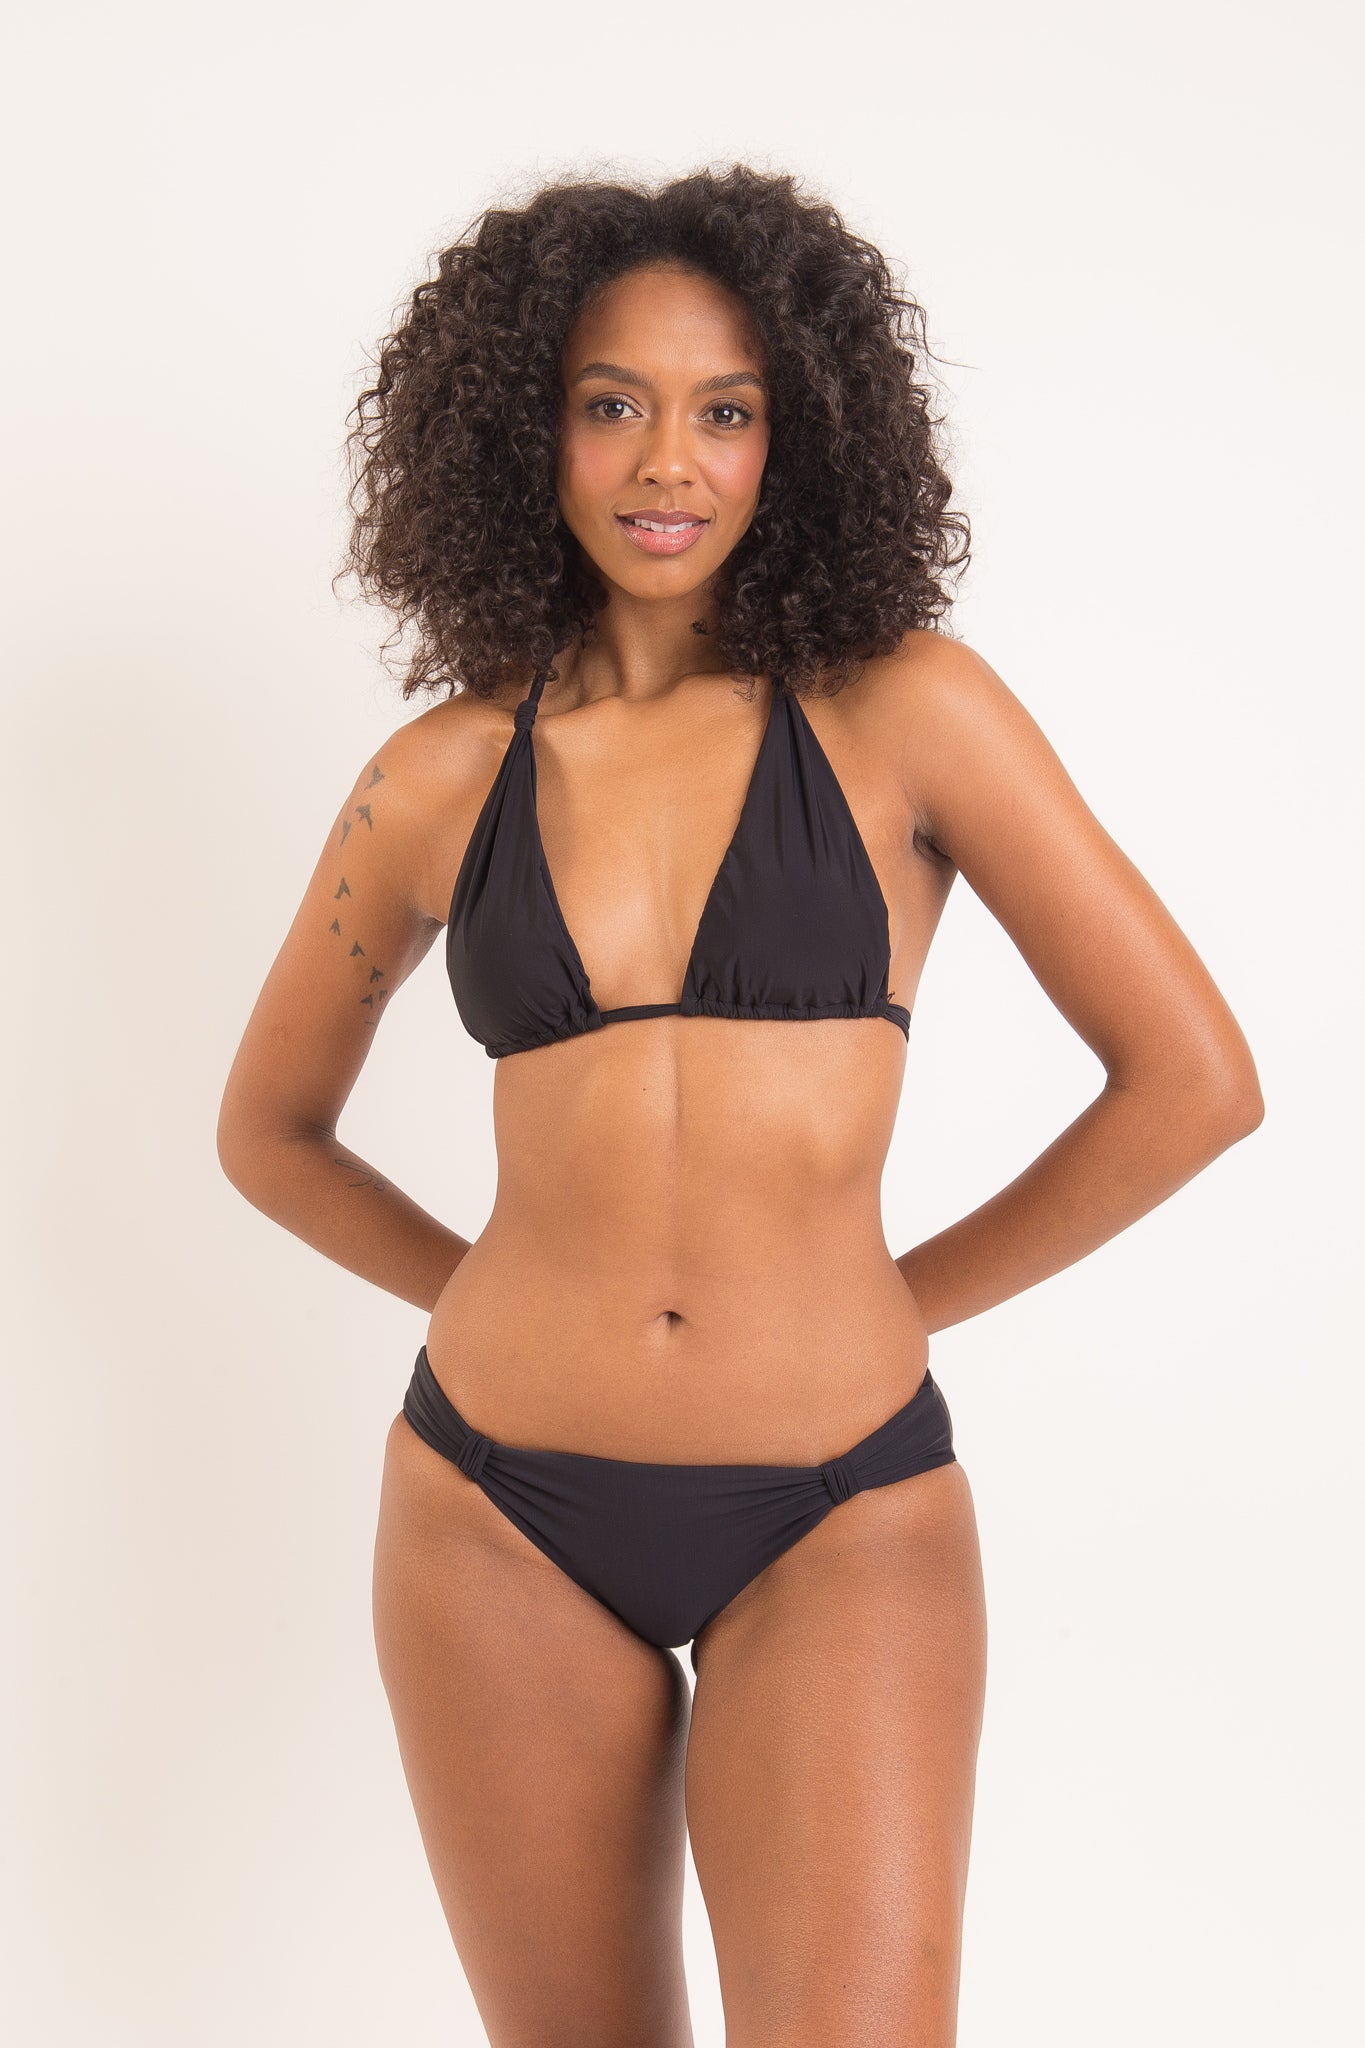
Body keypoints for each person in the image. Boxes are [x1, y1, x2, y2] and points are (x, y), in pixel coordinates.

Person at [216, 164, 1264, 2048]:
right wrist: (498, 1297)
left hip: (837, 1503)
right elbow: (268, 1131)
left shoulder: (907, 713)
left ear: (799, 437)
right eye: (610, 402)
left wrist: (888, 1306)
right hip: (491, 1514)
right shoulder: (439, 775)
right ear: (522, 429)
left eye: (725, 410)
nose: (664, 463)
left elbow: (1193, 1081)